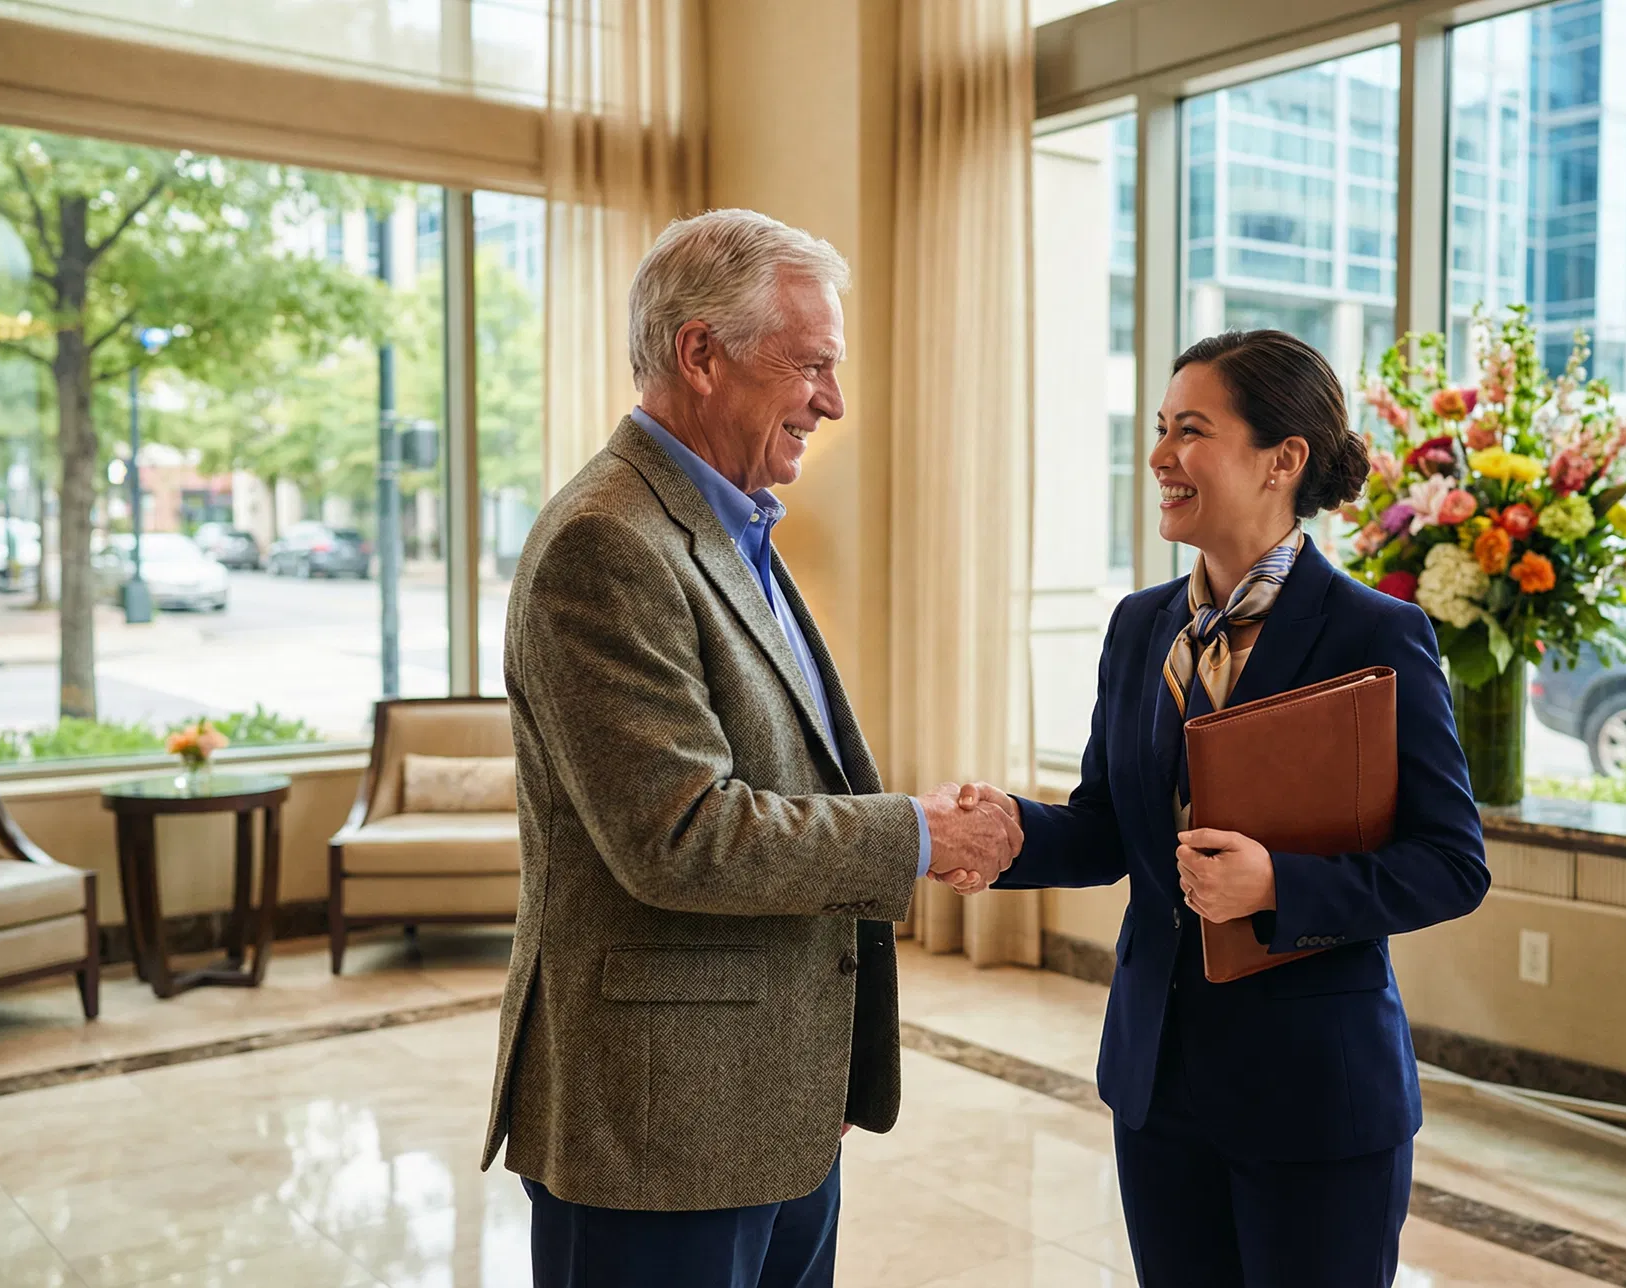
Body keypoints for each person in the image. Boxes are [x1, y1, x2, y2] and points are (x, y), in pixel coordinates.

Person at [483, 208, 1015, 1288]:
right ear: (700, 355)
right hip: (660, 1128)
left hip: (766, 1105)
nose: (833, 398)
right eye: (811, 363)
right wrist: (920, 832)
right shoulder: (607, 541)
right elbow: (683, 833)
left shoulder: (730, 524)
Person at [962, 330, 1491, 1286]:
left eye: (1190, 431)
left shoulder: (1378, 633)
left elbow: (1453, 863)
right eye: (1161, 429)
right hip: (1156, 1088)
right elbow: (1104, 826)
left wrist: (1275, 885)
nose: (1159, 456)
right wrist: (1003, 829)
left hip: (1316, 1099)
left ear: (1283, 459)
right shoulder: (1137, 628)